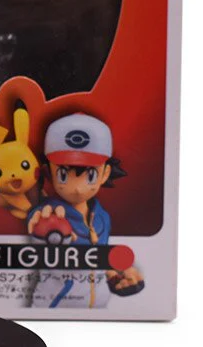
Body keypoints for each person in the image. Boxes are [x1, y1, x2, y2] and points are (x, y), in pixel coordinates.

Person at [27, 113, 144, 308]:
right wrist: (43, 224)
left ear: (105, 173)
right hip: (54, 306)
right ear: (48, 171)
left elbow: (99, 257)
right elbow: (42, 236)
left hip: (98, 306)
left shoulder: (102, 217)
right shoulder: (51, 213)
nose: (77, 188)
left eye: (90, 176)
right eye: (63, 175)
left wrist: (120, 273)